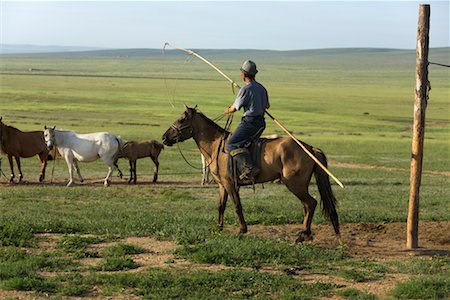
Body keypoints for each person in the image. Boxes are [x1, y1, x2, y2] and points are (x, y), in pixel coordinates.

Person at [224, 60, 270, 181]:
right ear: (255, 74)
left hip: (250, 123)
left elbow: (235, 108)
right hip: (261, 123)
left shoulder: (245, 90)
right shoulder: (262, 88)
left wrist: (227, 110)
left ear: (243, 74)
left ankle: (249, 168)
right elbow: (267, 106)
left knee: (230, 144)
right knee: (245, 143)